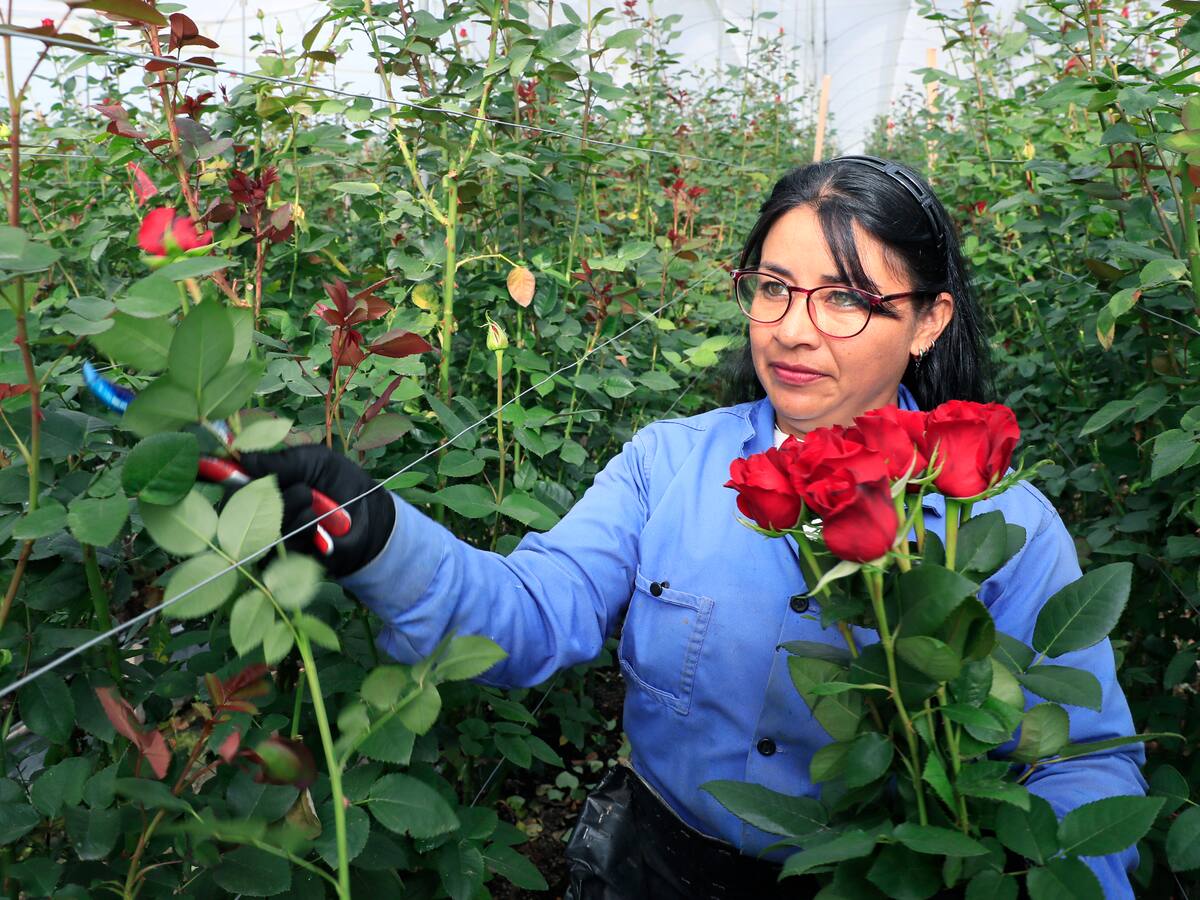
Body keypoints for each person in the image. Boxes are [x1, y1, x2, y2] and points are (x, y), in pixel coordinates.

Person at [240, 156, 1147, 899]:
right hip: (656, 866)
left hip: (882, 879)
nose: (794, 331)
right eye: (773, 289)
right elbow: (537, 609)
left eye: (843, 299)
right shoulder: (670, 466)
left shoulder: (996, 520)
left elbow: (1087, 762)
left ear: (926, 322)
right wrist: (378, 537)